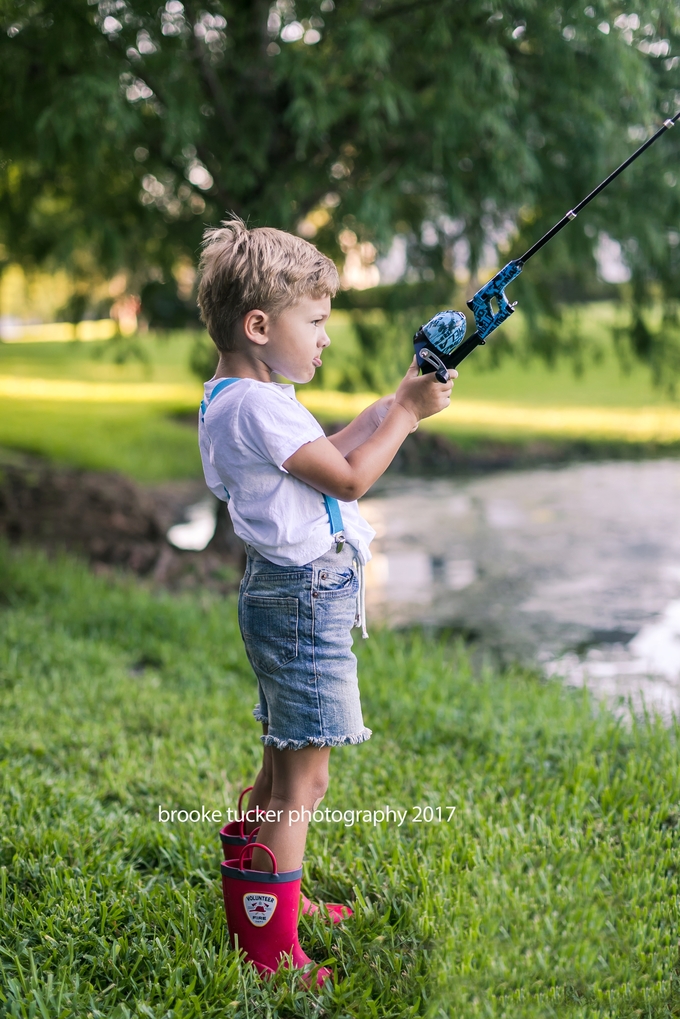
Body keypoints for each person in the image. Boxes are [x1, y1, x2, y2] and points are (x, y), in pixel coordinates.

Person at [196, 218, 455, 986]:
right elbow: (347, 480)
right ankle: (271, 949)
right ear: (259, 324)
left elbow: (317, 459)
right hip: (304, 600)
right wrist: (406, 417)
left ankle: (275, 899)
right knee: (305, 781)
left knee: (286, 767)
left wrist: (381, 409)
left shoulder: (239, 397)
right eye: (315, 322)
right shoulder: (258, 405)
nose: (325, 338)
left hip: (289, 595)